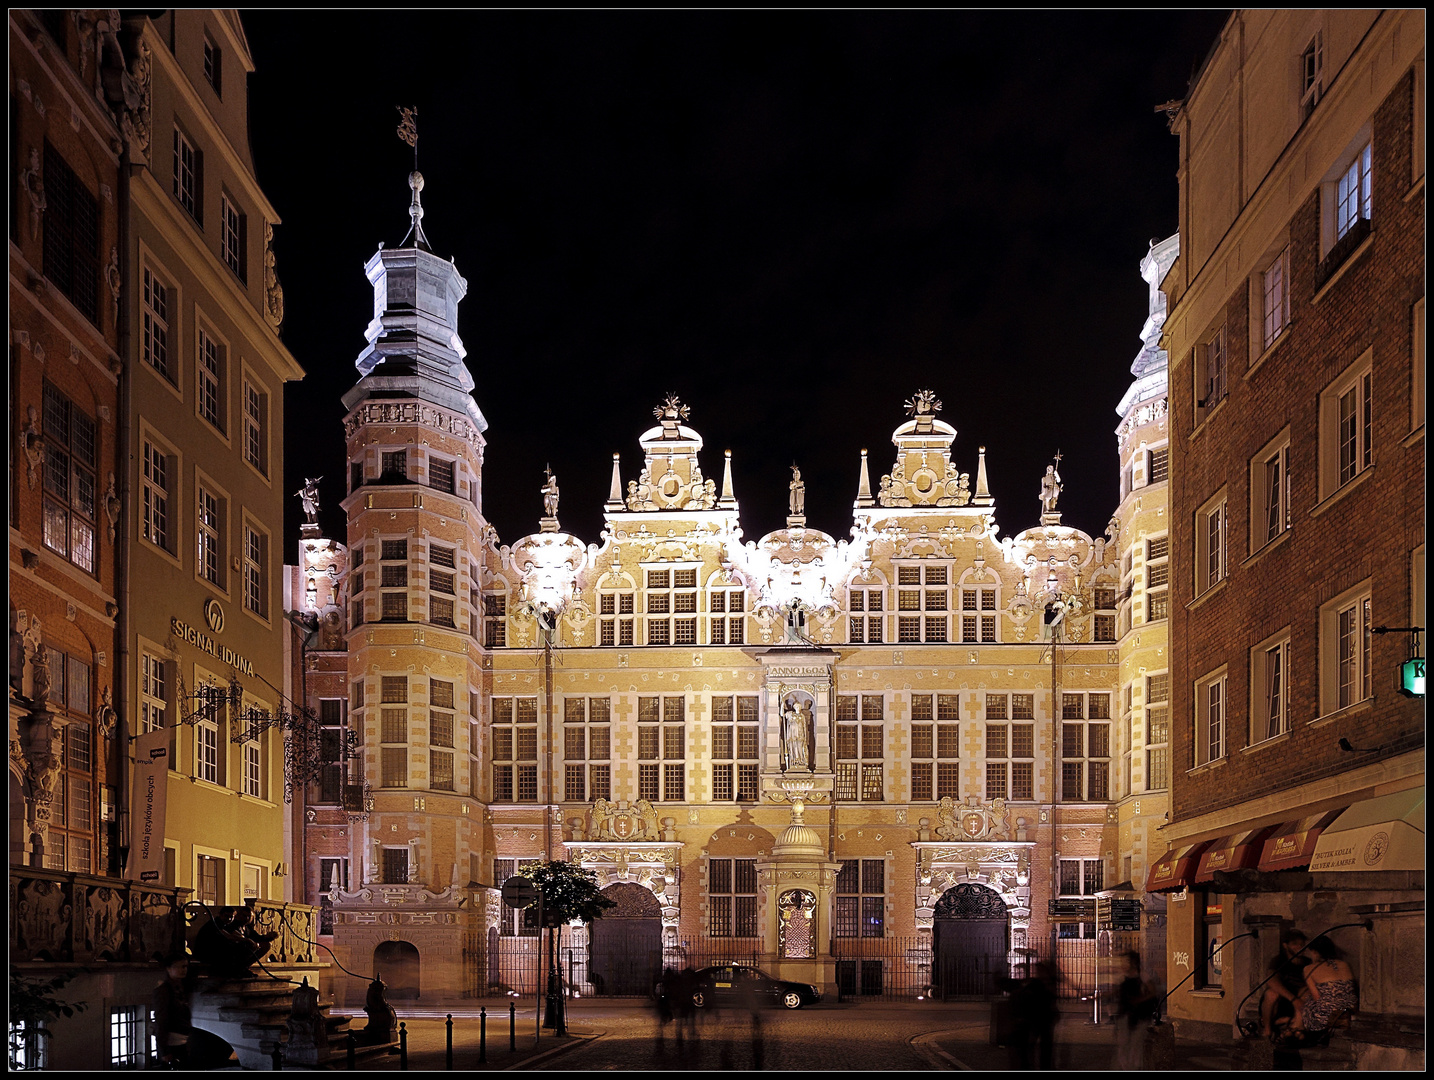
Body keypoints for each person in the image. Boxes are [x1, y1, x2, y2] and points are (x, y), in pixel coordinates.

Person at [153, 953, 234, 1069]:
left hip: (183, 1038)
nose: (184, 970)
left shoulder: (180, 986)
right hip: (172, 1041)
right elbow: (161, 1020)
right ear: (169, 968)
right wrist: (164, 1050)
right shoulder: (163, 991)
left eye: (185, 966)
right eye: (179, 966)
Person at [1294, 936, 1356, 1035]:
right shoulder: (1344, 964)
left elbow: (1316, 997)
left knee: (1304, 998)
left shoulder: (1309, 969)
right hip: (1348, 1010)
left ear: (1314, 952)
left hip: (1327, 1015)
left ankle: (1296, 1028)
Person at [1259, 930, 1309, 1037]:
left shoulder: (1307, 962)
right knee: (1271, 993)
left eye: (1301, 944)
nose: (1300, 947)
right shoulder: (1279, 961)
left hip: (1300, 1001)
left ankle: (1296, 1026)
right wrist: (1293, 999)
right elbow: (1272, 980)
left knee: (1306, 992)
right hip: (1283, 999)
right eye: (1295, 944)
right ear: (1286, 946)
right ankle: (1267, 1029)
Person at [1010, 961, 1060, 1069]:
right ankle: (1039, 1066)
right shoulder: (1041, 984)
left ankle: (1042, 1066)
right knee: (1040, 1045)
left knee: (1043, 1045)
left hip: (1042, 1019)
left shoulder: (1043, 984)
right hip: (1039, 1019)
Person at [1113, 951, 1156, 1069]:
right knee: (1123, 1043)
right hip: (1125, 1014)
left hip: (1140, 1015)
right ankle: (1127, 1067)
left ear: (1134, 962)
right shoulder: (1122, 977)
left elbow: (1153, 992)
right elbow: (1118, 993)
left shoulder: (1143, 976)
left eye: (1126, 961)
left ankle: (1135, 1067)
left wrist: (1139, 1000)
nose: (1123, 964)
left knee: (1136, 1044)